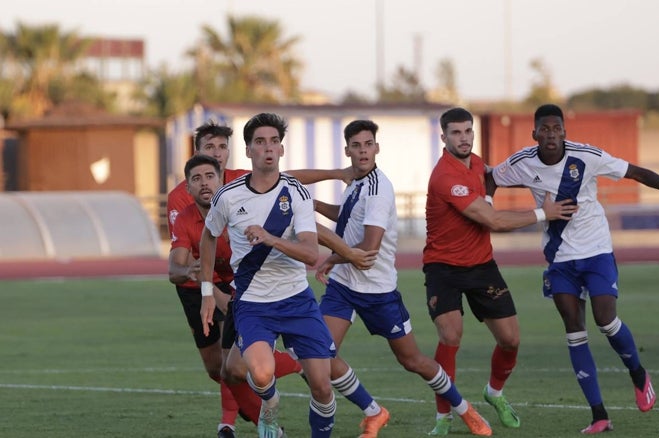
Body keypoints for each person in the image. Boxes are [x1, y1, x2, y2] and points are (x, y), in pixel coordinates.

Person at [489, 104, 659, 434]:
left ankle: (638, 374)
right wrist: (485, 206)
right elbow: (488, 176)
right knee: (574, 329)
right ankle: (599, 414)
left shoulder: (586, 156)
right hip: (559, 259)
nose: (552, 134)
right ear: (535, 134)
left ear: (565, 132)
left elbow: (637, 172)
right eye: (545, 129)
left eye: (557, 128)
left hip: (596, 249)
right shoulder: (522, 163)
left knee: (605, 318)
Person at [167, 119, 357, 438]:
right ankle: (263, 405)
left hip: (296, 300)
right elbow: (207, 239)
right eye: (259, 141)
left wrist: (276, 239)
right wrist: (207, 291)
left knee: (322, 386)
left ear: (280, 148)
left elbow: (311, 253)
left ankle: (261, 404)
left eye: (273, 141)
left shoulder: (294, 193)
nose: (267, 147)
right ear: (249, 149)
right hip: (251, 299)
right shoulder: (225, 195)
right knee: (248, 370)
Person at [314, 120, 493, 437]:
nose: (363, 150)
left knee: (412, 360)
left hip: (377, 290)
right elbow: (345, 215)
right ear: (348, 151)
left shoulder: (379, 189)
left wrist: (330, 254)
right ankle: (374, 411)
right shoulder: (355, 181)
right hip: (343, 286)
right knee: (319, 355)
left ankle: (465, 409)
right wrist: (311, 204)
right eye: (356, 145)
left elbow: (369, 249)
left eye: (368, 144)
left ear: (377, 148)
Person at [423, 107, 578, 436]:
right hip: (443, 268)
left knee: (511, 340)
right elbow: (491, 221)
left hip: (481, 265)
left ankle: (493, 393)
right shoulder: (445, 176)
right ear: (443, 138)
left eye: (468, 132)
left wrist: (531, 181)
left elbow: (494, 177)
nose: (463, 138)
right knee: (450, 336)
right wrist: (543, 213)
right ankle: (443, 417)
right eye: (456, 133)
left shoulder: (477, 163)